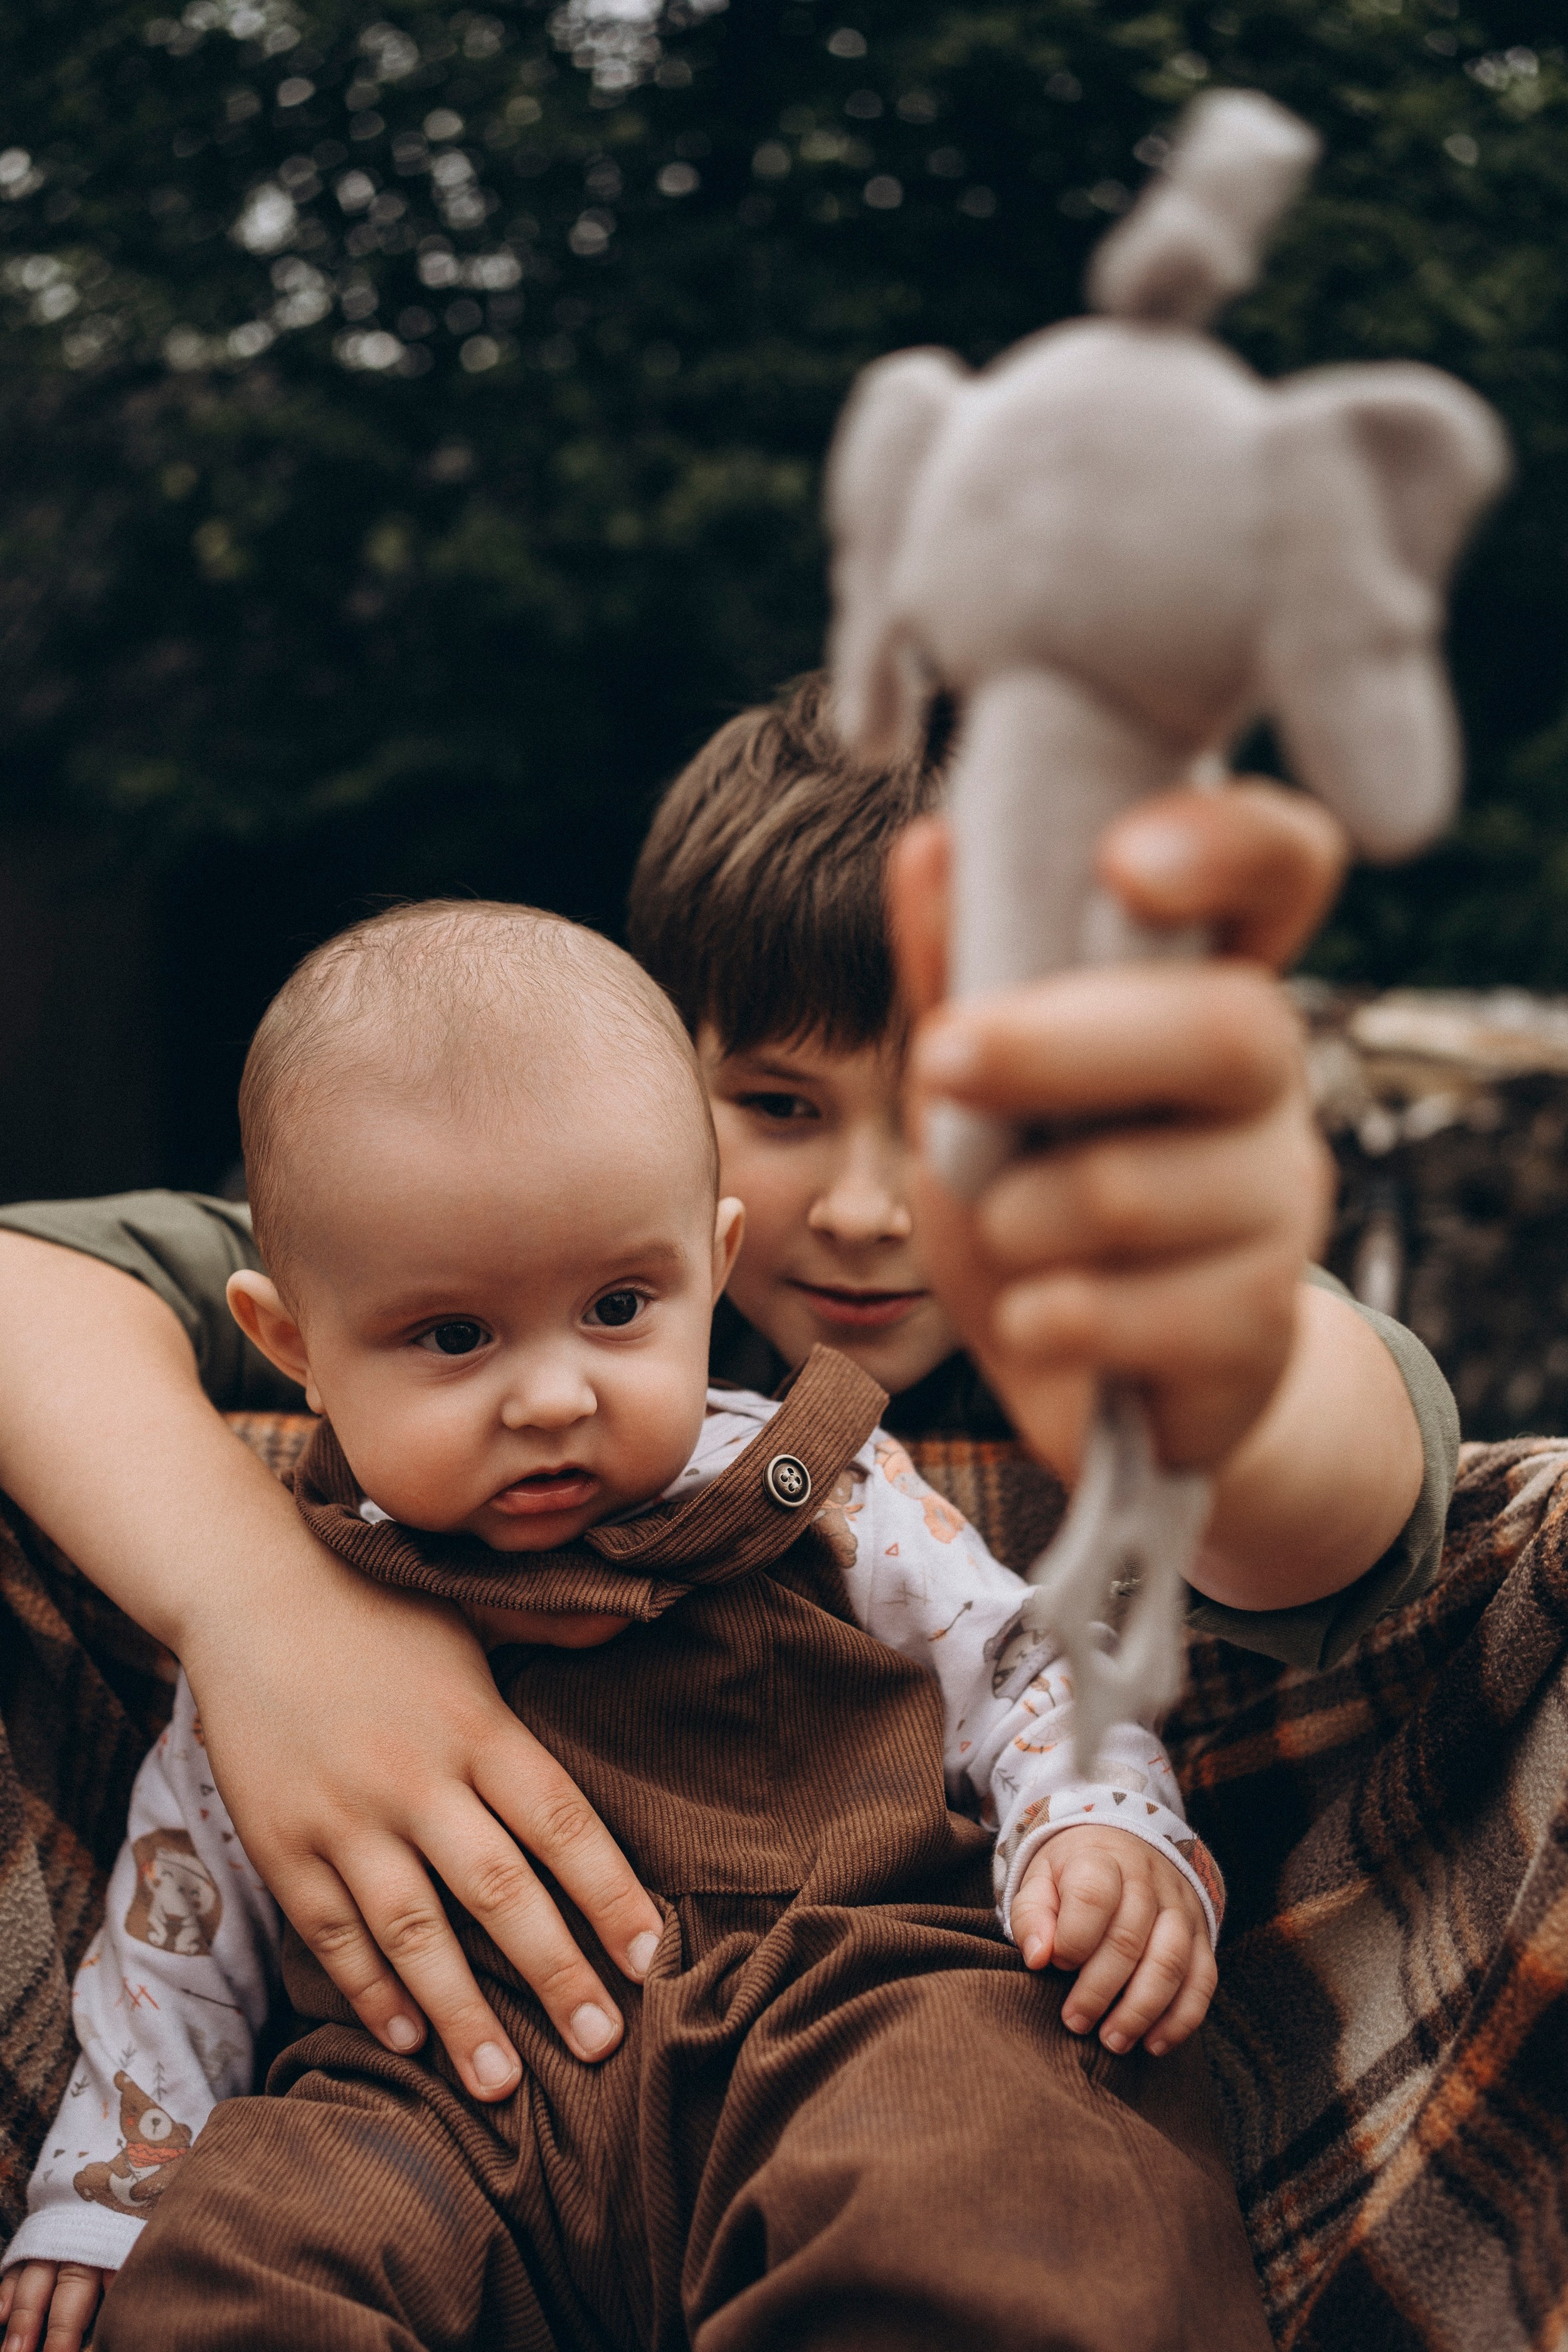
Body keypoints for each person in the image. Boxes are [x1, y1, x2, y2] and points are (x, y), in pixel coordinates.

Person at [0, 680, 1454, 2137]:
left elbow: (1342, 1510)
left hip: (920, 2052)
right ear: (646, 1083)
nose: (871, 1208)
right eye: (778, 1105)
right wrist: (267, 1614)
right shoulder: (489, 1270)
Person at [2, 903, 1266, 2352]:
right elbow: (177, 1925)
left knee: (1014, 2177)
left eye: (617, 1307)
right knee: (244, 2260)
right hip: (431, 2101)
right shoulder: (285, 1617)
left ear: (708, 1261)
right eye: (454, 1338)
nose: (551, 1396)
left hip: (846, 2008)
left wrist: (1094, 1827)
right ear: (290, 1344)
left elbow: (1020, 1660)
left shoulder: (814, 1485)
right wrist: (114, 2187)